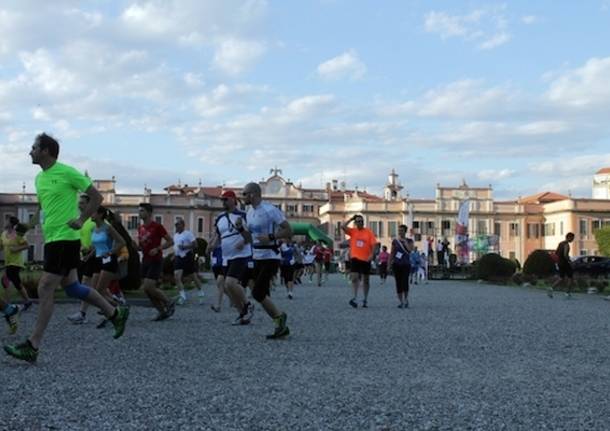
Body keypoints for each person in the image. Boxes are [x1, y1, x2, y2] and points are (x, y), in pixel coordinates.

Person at [4, 133, 129, 363]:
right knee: (72, 287)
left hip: (65, 238)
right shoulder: (39, 179)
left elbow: (96, 197)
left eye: (34, 147)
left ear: (46, 151)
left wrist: (81, 220)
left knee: (44, 287)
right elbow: (43, 209)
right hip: (52, 239)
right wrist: (28, 226)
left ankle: (33, 344)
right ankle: (115, 313)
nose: (29, 151)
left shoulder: (67, 172)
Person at [242, 182, 291, 339]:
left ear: (253, 194)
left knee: (257, 293)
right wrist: (240, 230)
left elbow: (289, 230)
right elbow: (249, 239)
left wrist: (271, 237)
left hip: (270, 256)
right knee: (248, 284)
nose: (242, 197)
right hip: (256, 255)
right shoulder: (249, 212)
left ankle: (279, 318)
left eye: (244, 194)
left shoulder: (270, 210)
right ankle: (278, 319)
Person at [69, 206, 126, 328]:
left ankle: (114, 311)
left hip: (108, 261)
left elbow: (122, 242)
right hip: (97, 260)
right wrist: (88, 256)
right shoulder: (94, 228)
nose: (91, 215)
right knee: (94, 290)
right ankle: (118, 308)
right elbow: (96, 246)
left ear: (100, 214)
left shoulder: (108, 227)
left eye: (93, 212)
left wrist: (111, 252)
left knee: (99, 291)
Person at [207, 190, 254, 325]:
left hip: (241, 255)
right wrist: (211, 245)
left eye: (226, 199)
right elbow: (218, 236)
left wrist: (243, 241)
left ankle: (247, 304)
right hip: (226, 256)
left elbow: (250, 236)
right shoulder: (220, 218)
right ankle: (242, 313)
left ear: (233, 200)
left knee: (230, 283)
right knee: (225, 285)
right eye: (222, 200)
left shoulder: (243, 216)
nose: (223, 202)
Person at [135, 203, 175, 321]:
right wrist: (136, 247)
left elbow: (170, 241)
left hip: (156, 260)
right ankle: (161, 312)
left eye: (142, 211)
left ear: (149, 212)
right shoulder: (140, 228)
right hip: (145, 260)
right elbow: (142, 246)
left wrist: (158, 248)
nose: (139, 213)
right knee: (146, 290)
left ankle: (169, 301)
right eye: (139, 211)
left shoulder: (157, 226)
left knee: (149, 286)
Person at [341, 214, 377, 308]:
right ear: (355, 223)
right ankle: (354, 297)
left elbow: (373, 245)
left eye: (361, 221)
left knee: (366, 280)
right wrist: (351, 219)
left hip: (366, 258)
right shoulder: (353, 231)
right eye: (358, 221)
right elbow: (343, 226)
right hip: (355, 257)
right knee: (354, 277)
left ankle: (365, 299)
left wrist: (372, 254)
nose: (360, 223)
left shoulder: (368, 232)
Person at [1, 219, 33, 309]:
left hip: (16, 262)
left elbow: (27, 245)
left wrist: (16, 249)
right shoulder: (3, 234)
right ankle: (27, 301)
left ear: (11, 224)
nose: (5, 222)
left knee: (6, 279)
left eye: (7, 221)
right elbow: (1, 246)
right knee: (12, 281)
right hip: (8, 262)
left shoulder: (17, 234)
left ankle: (7, 304)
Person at [173, 218, 205, 305]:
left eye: (178, 224)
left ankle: (200, 291)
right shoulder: (175, 235)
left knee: (193, 276)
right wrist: (173, 255)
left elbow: (195, 245)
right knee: (176, 276)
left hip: (187, 257)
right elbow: (176, 247)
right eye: (175, 225)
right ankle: (182, 296)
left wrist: (185, 247)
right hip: (178, 257)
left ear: (182, 225)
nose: (176, 226)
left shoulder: (188, 234)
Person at [388, 225, 413, 308]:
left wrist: (405, 243)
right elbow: (392, 253)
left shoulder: (409, 241)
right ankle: (400, 301)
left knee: (405, 281)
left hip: (406, 264)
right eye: (399, 230)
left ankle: (406, 299)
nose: (400, 232)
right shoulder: (395, 241)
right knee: (398, 282)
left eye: (402, 230)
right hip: (397, 264)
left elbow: (410, 250)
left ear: (405, 231)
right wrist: (389, 263)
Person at [548, 232, 576, 299]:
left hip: (560, 263)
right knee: (570, 278)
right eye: (572, 238)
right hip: (565, 263)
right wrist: (570, 261)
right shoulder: (566, 245)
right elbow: (565, 255)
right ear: (569, 237)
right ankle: (567, 293)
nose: (572, 240)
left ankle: (551, 288)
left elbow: (557, 253)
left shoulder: (560, 243)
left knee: (561, 278)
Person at [209, 245, 226, 312]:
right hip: (216, 263)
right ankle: (236, 299)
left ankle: (218, 306)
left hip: (225, 262)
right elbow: (208, 249)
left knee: (219, 282)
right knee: (224, 287)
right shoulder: (214, 237)